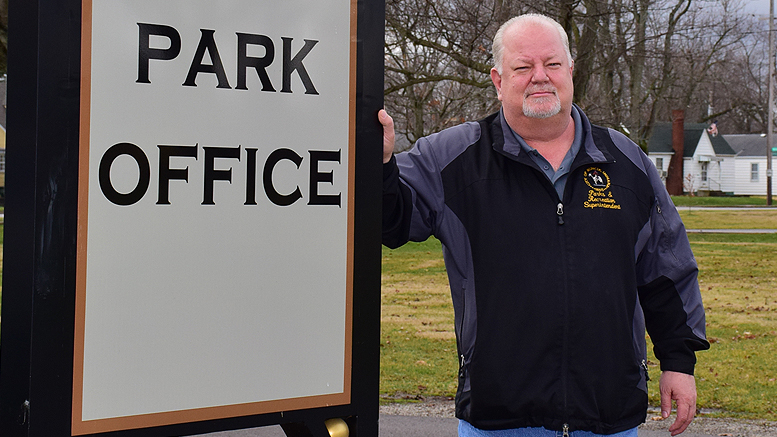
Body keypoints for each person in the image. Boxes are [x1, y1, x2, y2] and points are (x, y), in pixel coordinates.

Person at [379, 13, 709, 437]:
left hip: (608, 415)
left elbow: (665, 267)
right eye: (523, 67)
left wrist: (679, 363)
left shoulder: (625, 161)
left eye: (552, 64)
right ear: (498, 80)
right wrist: (383, 165)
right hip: (500, 418)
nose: (540, 77)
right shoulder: (453, 157)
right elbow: (393, 221)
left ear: (571, 70)